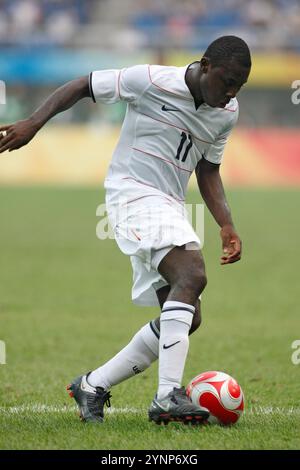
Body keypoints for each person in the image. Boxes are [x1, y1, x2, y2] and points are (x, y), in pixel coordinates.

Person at [0, 35, 251, 425]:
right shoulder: (151, 80)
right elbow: (84, 85)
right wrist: (35, 122)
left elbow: (208, 169)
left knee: (187, 315)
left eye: (239, 85)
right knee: (193, 274)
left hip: (168, 205)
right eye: (227, 80)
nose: (231, 92)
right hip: (132, 194)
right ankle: (168, 395)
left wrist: (227, 224)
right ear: (205, 66)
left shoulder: (226, 112)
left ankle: (92, 385)